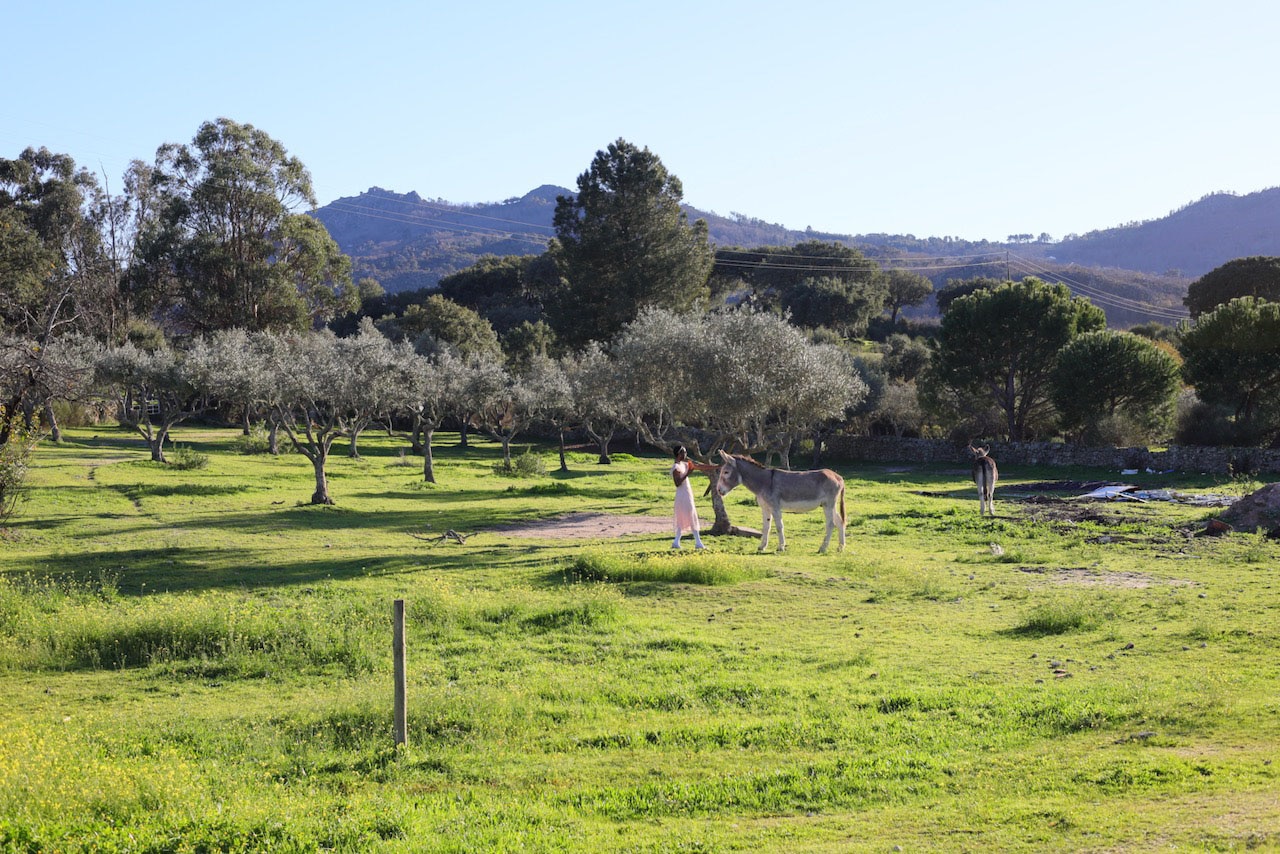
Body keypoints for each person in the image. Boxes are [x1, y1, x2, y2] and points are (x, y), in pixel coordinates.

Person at [671, 446, 715, 549]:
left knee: (688, 515)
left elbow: (699, 466)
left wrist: (716, 467)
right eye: (684, 453)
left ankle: (677, 542)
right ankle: (698, 542)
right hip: (682, 495)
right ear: (679, 454)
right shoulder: (676, 467)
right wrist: (688, 473)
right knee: (689, 515)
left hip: (687, 494)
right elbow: (677, 483)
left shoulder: (684, 465)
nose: (686, 455)